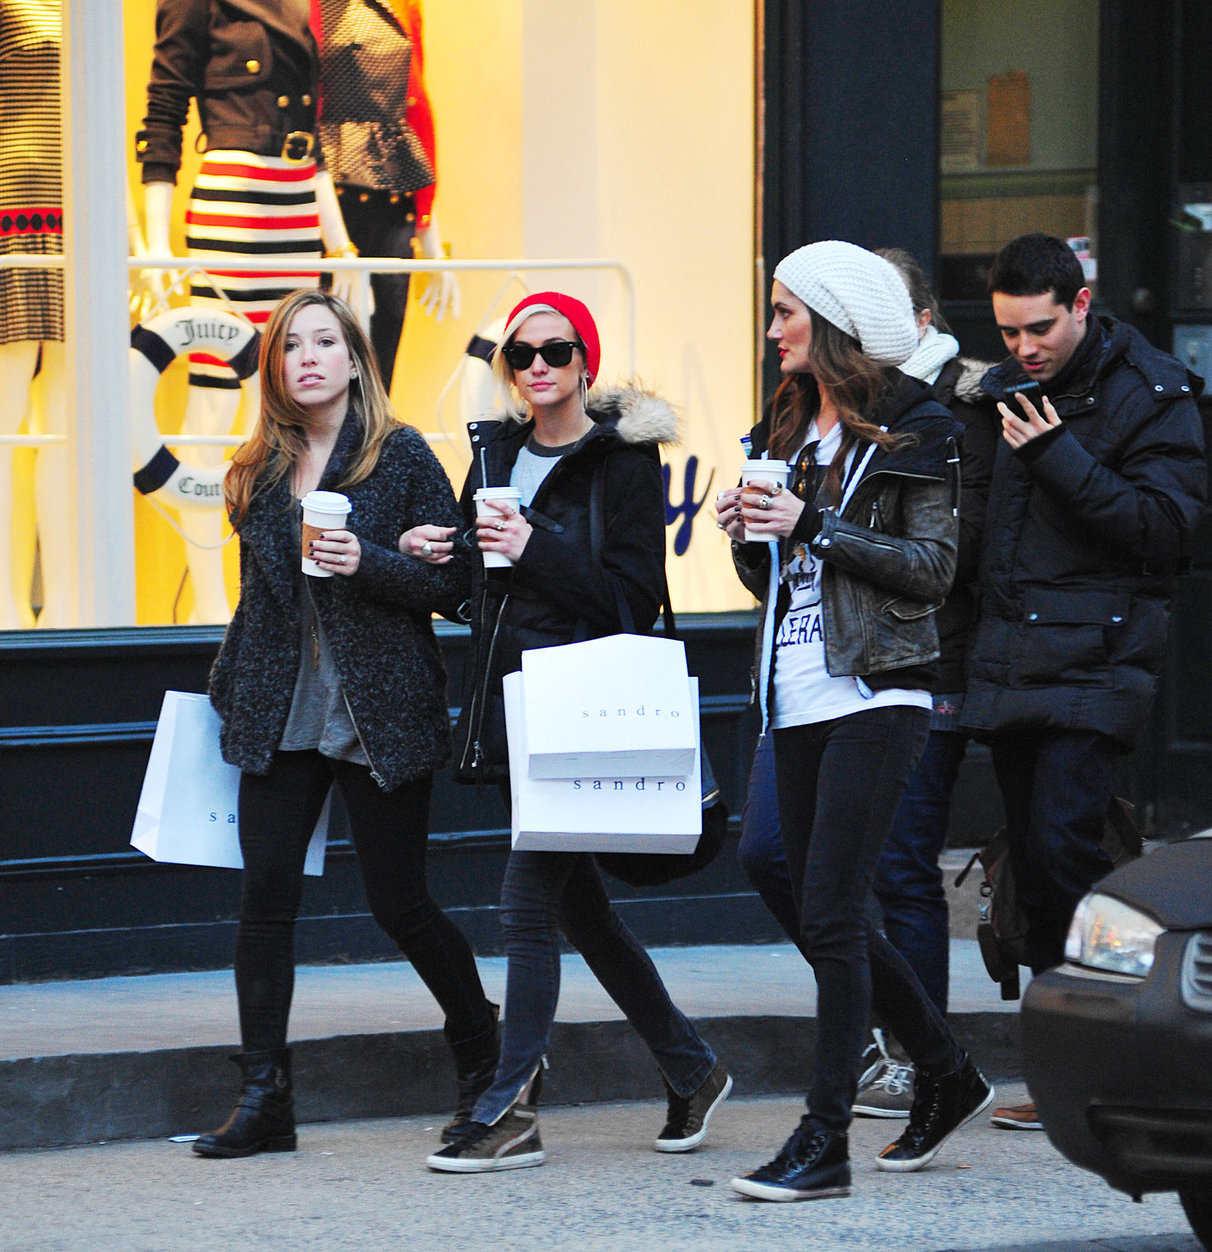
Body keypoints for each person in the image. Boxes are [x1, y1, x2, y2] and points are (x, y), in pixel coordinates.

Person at [417, 291, 731, 1173]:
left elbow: (633, 601)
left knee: (526, 907)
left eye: (556, 351)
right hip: (513, 712)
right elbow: (476, 593)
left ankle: (510, 1108)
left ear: (585, 362)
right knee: (580, 913)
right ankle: (691, 1066)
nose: (539, 368)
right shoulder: (495, 453)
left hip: (584, 711)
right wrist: (440, 555)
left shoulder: (622, 463)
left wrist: (533, 547)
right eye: (521, 356)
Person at [195, 289, 498, 1158]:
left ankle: (485, 1055)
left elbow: (455, 587)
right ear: (274, 369)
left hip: (378, 710)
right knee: (264, 901)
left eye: (325, 342)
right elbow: (256, 603)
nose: (309, 359)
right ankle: (265, 1097)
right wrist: (229, 689)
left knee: (400, 902)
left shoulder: (399, 456)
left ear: (356, 360)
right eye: (292, 346)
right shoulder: (257, 469)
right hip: (281, 707)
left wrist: (369, 560)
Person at [719, 242, 992, 1202]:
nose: (773, 329)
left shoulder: (920, 426)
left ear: (832, 320)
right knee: (777, 869)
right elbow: (781, 581)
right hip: (793, 688)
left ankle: (823, 1139)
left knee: (832, 911)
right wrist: (751, 536)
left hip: (879, 689)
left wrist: (810, 524)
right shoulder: (790, 422)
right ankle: (946, 1068)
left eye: (786, 310)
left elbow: (932, 569)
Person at [961, 232, 1206, 1130]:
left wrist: (1058, 453)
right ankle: (1062, 1066)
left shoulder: (1152, 391)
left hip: (1100, 657)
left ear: (1081, 305)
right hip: (1012, 656)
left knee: (1066, 847)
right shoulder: (999, 391)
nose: (1024, 348)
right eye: (1008, 332)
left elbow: (1167, 530)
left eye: (1040, 329)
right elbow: (984, 531)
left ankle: (1116, 1050)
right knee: (1032, 862)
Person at [136, 0, 361, 622]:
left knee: (291, 402)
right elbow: (164, 106)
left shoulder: (299, 4)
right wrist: (154, 244)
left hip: (297, 201)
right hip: (233, 199)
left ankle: (274, 592)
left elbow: (312, 128)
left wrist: (339, 241)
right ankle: (211, 601)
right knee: (216, 398)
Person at [317, 0, 459, 390]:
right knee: (326, 344)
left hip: (395, 202)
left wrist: (430, 238)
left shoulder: (404, 6)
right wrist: (338, 247)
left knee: (382, 351)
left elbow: (415, 112)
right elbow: (307, 111)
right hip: (327, 193)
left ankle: (376, 431)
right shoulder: (312, 7)